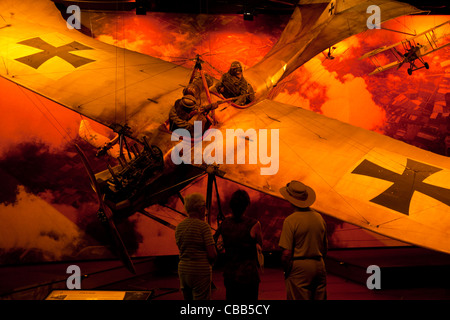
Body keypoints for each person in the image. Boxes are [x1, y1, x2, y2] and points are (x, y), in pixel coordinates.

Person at [278, 180, 328, 300]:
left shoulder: (290, 221)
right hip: (319, 265)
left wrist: (287, 270)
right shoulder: (319, 218)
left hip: (299, 268)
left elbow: (286, 254)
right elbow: (324, 247)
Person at [214, 189, 263, 300]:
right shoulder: (254, 224)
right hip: (249, 275)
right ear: (246, 205)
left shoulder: (224, 223)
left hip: (230, 274)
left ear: (232, 205)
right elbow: (260, 245)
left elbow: (216, 243)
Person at [175, 193, 217, 300]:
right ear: (200, 208)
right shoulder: (204, 227)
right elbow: (212, 254)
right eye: (204, 206)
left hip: (183, 270)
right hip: (200, 270)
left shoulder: (179, 227)